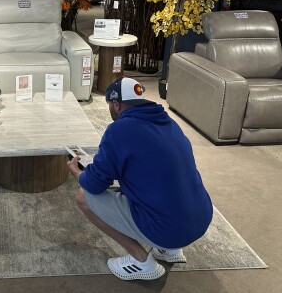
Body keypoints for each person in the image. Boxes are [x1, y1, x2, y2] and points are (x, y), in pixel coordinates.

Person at [66, 77, 213, 281]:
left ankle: (141, 261)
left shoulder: (119, 130)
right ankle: (169, 250)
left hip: (167, 228)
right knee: (153, 182)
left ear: (116, 105)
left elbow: (95, 183)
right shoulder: (170, 123)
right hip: (200, 219)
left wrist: (77, 172)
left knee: (84, 197)